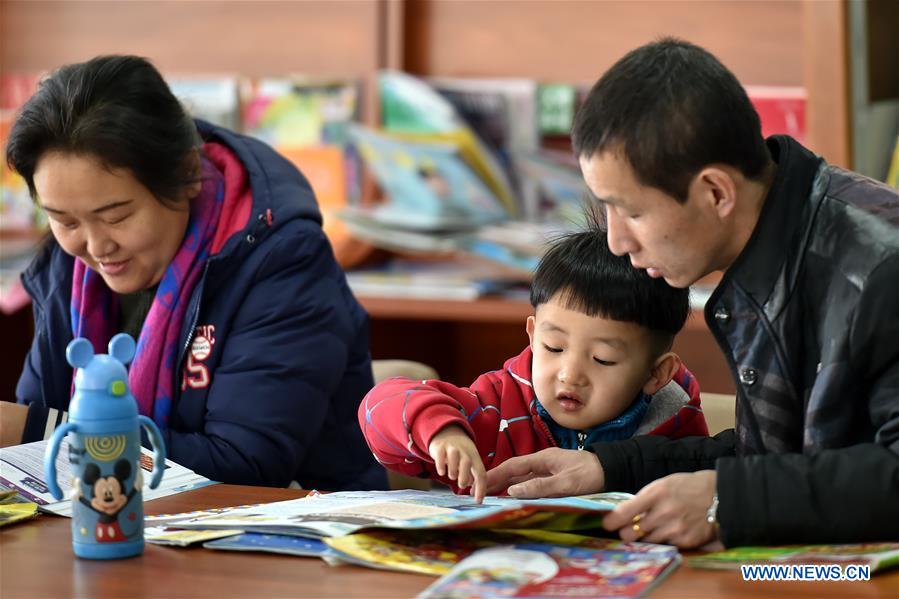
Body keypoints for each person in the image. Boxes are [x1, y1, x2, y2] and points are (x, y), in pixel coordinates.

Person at [485, 38, 899, 548]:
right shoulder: (780, 238)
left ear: (716, 192)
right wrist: (605, 467)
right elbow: (782, 459)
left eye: (632, 211)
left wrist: (729, 499)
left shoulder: (880, 267)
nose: (616, 240)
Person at [5, 55, 387, 491]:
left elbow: (246, 466)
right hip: (112, 528)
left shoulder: (280, 259)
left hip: (286, 541)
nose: (94, 247)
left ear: (186, 174)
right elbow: (33, 462)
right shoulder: (66, 267)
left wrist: (39, 431)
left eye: (116, 216)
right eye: (66, 221)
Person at [359, 228, 708, 501]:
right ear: (531, 333)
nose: (570, 374)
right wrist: (440, 432)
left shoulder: (675, 421)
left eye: (603, 359)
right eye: (553, 347)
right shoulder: (495, 408)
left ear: (655, 373)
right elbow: (379, 406)